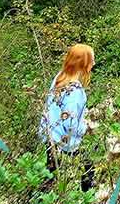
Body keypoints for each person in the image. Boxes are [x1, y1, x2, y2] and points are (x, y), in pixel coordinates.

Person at [40, 43, 96, 191]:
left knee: (50, 173)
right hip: (64, 139)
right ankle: (86, 198)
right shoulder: (75, 90)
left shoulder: (59, 78)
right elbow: (70, 123)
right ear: (84, 63)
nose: (94, 63)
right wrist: (87, 127)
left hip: (50, 136)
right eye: (92, 60)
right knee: (89, 166)